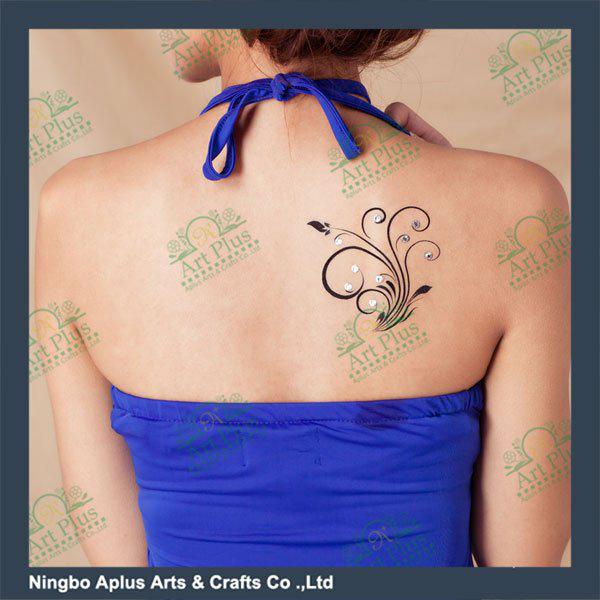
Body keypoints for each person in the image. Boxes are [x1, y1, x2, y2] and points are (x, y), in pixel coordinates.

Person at [35, 29, 570, 567]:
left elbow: (120, 564)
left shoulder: (75, 211)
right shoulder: (520, 206)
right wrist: (469, 208)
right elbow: (525, 565)